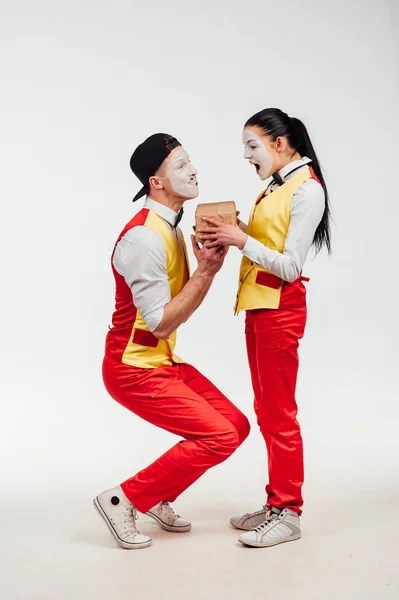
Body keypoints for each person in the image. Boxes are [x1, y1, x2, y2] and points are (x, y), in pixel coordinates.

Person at [94, 133, 250, 550]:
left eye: (190, 162)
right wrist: (204, 273)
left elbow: (170, 317)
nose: (193, 170)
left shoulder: (171, 229)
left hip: (159, 360)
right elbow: (161, 323)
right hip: (131, 367)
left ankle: (160, 495)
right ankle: (122, 500)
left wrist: (208, 269)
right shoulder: (144, 237)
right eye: (180, 166)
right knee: (217, 436)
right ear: (156, 182)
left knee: (235, 426)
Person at [198, 108, 331, 548]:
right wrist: (233, 229)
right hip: (258, 309)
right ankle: (276, 503)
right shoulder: (275, 187)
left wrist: (242, 241)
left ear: (280, 143)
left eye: (252, 146)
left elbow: (291, 267)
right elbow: (266, 247)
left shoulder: (306, 190)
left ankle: (288, 513)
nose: (246, 156)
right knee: (267, 410)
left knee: (279, 414)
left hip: (281, 309)